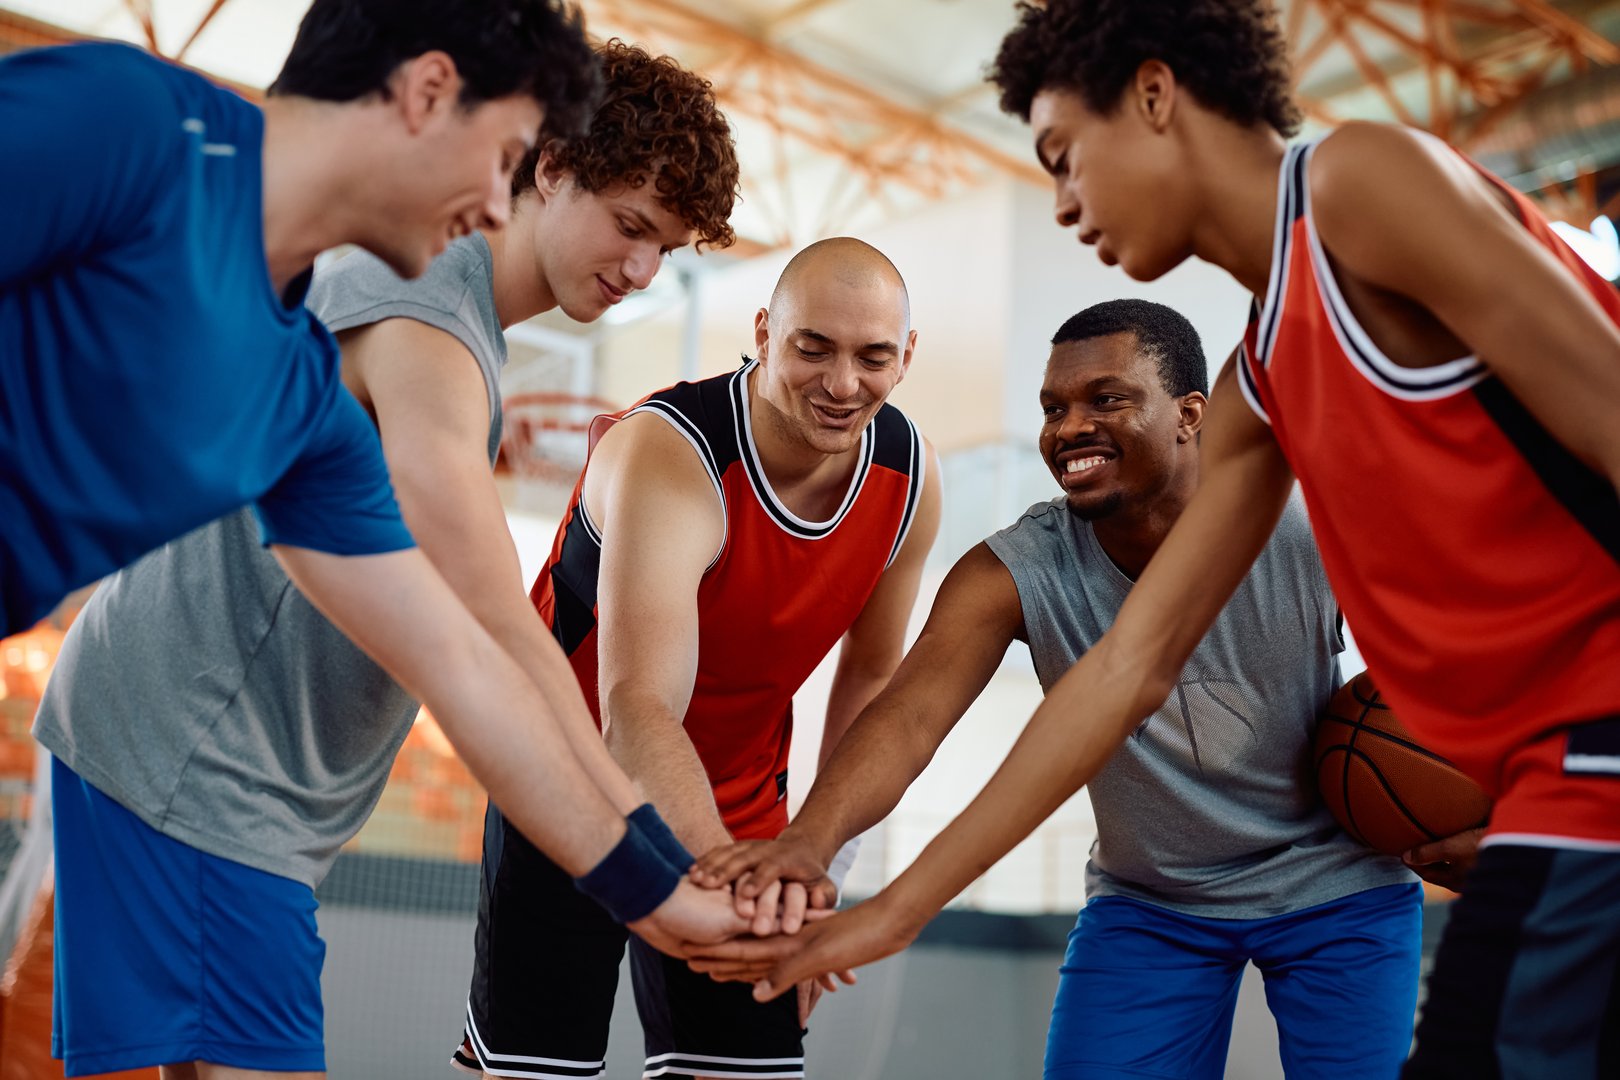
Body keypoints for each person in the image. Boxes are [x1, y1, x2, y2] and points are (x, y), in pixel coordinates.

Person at [687, 2, 1620, 1075]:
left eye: (1065, 156)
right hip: (1551, 776)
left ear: (1154, 93)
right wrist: (890, 910)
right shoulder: (1262, 379)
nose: (1066, 202)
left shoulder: (1358, 185)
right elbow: (1126, 669)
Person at [19, 14, 746, 1080]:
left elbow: (460, 650)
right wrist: (656, 866)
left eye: (666, 250)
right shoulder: (392, 291)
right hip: (201, 769)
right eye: (506, 161)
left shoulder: (335, 394)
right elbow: (494, 628)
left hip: (226, 780)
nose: (640, 270)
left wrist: (654, 879)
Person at [696, 299, 1424, 1078]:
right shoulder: (1016, 571)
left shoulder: (1307, 518)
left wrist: (1493, 804)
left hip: (1338, 885)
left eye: (1106, 398)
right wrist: (808, 844)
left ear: (1189, 414)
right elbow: (907, 720)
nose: (1070, 427)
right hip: (1153, 905)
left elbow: (1455, 664)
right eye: (1053, 407)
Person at [453, 237, 941, 1080]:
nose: (841, 382)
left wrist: (807, 872)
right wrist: (742, 885)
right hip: (576, 776)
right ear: (762, 330)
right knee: (532, 1070)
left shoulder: (909, 474)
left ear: (907, 358)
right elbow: (637, 706)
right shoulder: (671, 453)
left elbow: (872, 683)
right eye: (811, 347)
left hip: (745, 801)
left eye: (874, 356)